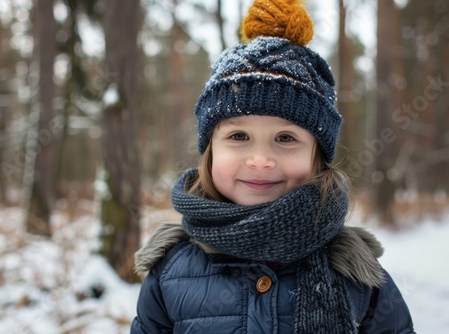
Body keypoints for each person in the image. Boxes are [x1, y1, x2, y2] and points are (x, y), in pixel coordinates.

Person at [130, 0, 415, 332]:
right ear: (210, 151)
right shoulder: (170, 272)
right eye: (238, 135)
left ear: (317, 157)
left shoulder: (356, 273)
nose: (260, 161)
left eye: (285, 138)